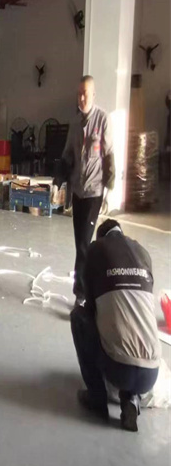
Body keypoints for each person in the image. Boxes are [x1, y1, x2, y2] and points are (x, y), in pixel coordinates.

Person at [70, 219, 160, 431]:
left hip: (118, 368)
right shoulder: (142, 252)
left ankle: (96, 398)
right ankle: (131, 399)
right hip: (151, 373)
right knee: (134, 319)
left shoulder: (96, 250)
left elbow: (90, 305)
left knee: (79, 317)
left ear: (101, 237)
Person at [58, 76, 115, 303]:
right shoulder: (74, 124)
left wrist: (109, 189)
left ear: (93, 95)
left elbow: (109, 155)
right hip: (78, 192)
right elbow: (67, 156)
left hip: (94, 192)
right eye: (79, 93)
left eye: (85, 94)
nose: (81, 98)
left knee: (83, 244)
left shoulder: (103, 120)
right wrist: (58, 183)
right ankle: (89, 289)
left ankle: (81, 295)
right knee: (80, 244)